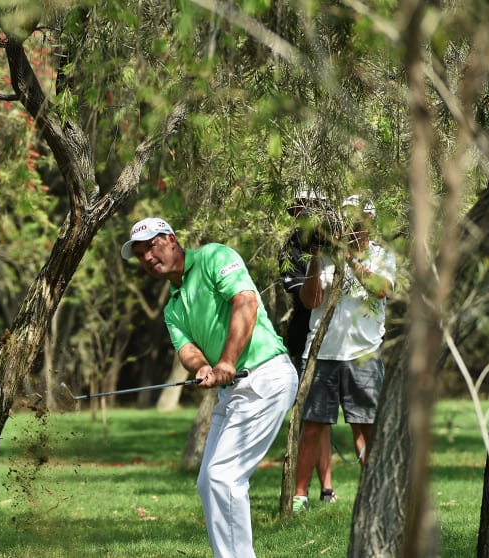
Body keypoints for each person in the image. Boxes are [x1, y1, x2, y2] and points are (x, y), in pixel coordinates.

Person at [121, 217, 298, 558]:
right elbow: (186, 348)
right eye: (140, 254)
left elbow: (246, 302)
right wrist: (202, 367)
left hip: (265, 376)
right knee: (208, 482)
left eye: (152, 246)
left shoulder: (214, 256)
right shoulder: (173, 307)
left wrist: (227, 362)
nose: (148, 258)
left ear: (171, 239)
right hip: (235, 392)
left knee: (223, 478)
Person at [292, 195, 396, 514]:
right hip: (321, 354)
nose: (353, 226)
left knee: (366, 428)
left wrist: (348, 257)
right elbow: (311, 301)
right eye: (348, 220)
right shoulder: (324, 258)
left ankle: (374, 496)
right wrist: (315, 257)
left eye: (359, 220)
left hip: (364, 354)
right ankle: (299, 497)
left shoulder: (381, 256)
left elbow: (381, 289)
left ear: (370, 221)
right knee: (312, 427)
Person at [278, 189, 335, 505]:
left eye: (310, 208)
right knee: (312, 419)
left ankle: (326, 489)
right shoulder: (290, 248)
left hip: (344, 340)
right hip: (306, 340)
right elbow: (309, 299)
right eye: (298, 210)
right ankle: (306, 492)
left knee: (322, 420)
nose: (304, 215)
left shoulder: (342, 241)